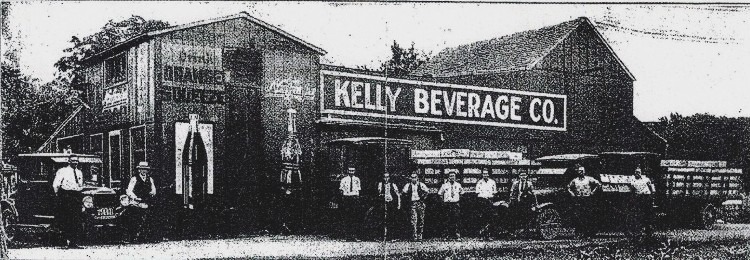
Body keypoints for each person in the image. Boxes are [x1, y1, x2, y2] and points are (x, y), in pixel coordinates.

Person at [52, 154, 84, 248]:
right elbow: (56, 185)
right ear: (69, 161)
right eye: (73, 160)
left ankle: (74, 242)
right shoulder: (62, 171)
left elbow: (80, 185)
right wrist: (59, 195)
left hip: (76, 196)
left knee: (76, 219)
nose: (75, 162)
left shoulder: (79, 172)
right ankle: (65, 242)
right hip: (66, 196)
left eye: (76, 161)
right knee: (66, 219)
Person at [125, 161, 157, 242]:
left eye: (145, 169)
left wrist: (152, 193)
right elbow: (129, 191)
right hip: (136, 202)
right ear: (139, 170)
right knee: (135, 218)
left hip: (146, 201)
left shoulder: (150, 179)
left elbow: (153, 190)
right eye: (142, 169)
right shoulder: (134, 179)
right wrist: (135, 198)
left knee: (149, 218)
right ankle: (133, 237)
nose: (143, 171)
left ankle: (146, 236)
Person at [567, 165, 601, 238]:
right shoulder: (575, 180)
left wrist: (592, 192)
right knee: (579, 216)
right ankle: (578, 233)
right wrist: (572, 193)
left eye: (582, 171)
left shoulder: (589, 179)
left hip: (587, 199)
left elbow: (598, 184)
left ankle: (588, 234)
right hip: (578, 199)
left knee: (587, 216)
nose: (581, 172)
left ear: (584, 172)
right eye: (579, 171)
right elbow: (568, 187)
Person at [402, 172, 429, 241]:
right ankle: (414, 236)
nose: (413, 179)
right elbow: (404, 193)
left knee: (421, 219)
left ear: (417, 178)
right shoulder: (407, 185)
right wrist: (408, 199)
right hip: (412, 203)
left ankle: (420, 235)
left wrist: (423, 199)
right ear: (410, 178)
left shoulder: (421, 184)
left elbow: (427, 191)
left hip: (420, 203)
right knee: (414, 220)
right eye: (412, 177)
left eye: (415, 177)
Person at [629, 166, 655, 235]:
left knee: (648, 213)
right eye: (636, 172)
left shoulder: (646, 179)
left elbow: (651, 187)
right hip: (639, 197)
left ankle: (648, 230)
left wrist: (652, 195)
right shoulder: (632, 180)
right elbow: (632, 189)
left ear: (641, 173)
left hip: (647, 196)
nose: (637, 174)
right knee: (640, 213)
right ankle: (639, 229)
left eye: (639, 172)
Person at [338, 167, 361, 241]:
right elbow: (341, 190)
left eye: (353, 170)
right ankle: (347, 236)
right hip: (347, 198)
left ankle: (354, 236)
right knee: (346, 217)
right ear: (347, 171)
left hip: (354, 198)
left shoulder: (357, 179)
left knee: (354, 217)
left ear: (355, 171)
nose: (351, 172)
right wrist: (343, 198)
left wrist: (357, 198)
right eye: (350, 170)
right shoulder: (344, 179)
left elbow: (358, 190)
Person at [438, 172, 463, 238]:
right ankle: (446, 235)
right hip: (447, 204)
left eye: (453, 176)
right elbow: (440, 194)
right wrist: (443, 201)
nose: (452, 177)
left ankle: (457, 235)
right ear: (448, 177)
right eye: (451, 176)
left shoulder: (458, 185)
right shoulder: (444, 185)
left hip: (455, 204)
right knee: (447, 219)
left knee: (456, 219)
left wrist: (457, 200)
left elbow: (462, 193)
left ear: (455, 177)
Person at [377, 173, 401, 240]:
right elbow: (379, 193)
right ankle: (381, 236)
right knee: (382, 219)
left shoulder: (393, 185)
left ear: (389, 178)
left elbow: (398, 195)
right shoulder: (380, 184)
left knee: (391, 219)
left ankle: (391, 236)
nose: (386, 179)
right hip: (383, 203)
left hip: (391, 203)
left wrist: (399, 204)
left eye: (387, 177)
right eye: (385, 177)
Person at [475, 169, 496, 237]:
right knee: (482, 217)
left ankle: (489, 234)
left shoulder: (492, 182)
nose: (485, 175)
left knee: (490, 217)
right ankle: (482, 234)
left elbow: (494, 192)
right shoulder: (479, 182)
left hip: (489, 201)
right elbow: (477, 192)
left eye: (486, 174)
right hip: (482, 201)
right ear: (482, 175)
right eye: (484, 174)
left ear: (488, 174)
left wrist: (490, 198)